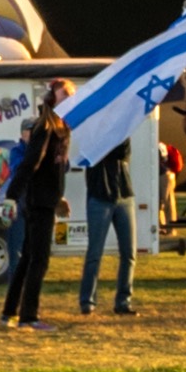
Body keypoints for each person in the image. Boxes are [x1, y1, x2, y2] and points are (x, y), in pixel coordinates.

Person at [0, 89, 72, 329]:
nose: (71, 98)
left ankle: (9, 311)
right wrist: (11, 196)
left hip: (44, 199)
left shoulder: (60, 127)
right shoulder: (46, 127)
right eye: (65, 95)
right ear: (52, 99)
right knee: (39, 260)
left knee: (28, 258)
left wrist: (58, 197)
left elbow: (52, 170)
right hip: (38, 202)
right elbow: (31, 164)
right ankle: (29, 317)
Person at [78, 111, 138, 318]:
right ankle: (87, 301)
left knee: (129, 253)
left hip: (123, 194)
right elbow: (95, 152)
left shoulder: (121, 135)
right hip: (99, 196)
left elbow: (123, 152)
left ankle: (123, 301)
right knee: (95, 253)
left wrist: (122, 128)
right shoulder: (90, 135)